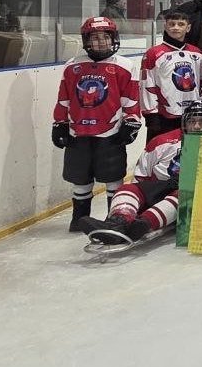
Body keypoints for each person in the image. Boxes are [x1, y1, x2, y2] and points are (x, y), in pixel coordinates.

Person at [77, 99, 202, 246]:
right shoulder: (162, 142)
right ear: (184, 122)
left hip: (190, 197)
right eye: (192, 121)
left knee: (183, 196)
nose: (197, 126)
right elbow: (141, 175)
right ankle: (118, 221)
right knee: (128, 189)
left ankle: (143, 223)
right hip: (161, 186)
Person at [52, 17, 142, 232]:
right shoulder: (72, 66)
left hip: (110, 132)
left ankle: (114, 217)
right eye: (95, 38)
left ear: (113, 39)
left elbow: (131, 100)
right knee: (80, 179)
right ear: (86, 40)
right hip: (78, 132)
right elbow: (64, 99)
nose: (101, 42)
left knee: (113, 179)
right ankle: (79, 218)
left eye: (105, 37)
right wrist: (59, 124)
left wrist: (131, 122)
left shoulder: (124, 66)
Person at [139, 9, 202, 139]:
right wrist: (151, 114)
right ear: (165, 26)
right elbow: (147, 84)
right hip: (163, 116)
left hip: (192, 116)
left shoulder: (197, 54)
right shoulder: (153, 53)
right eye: (172, 24)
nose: (176, 27)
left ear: (188, 28)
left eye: (181, 24)